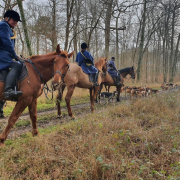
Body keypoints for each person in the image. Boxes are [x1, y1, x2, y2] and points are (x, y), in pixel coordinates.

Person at [0, 9, 23, 100]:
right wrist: (15, 56)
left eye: (17, 21)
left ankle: (1, 105)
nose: (16, 23)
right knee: (17, 65)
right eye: (14, 20)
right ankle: (8, 90)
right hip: (1, 55)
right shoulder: (3, 25)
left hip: (4, 55)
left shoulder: (8, 29)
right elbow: (7, 43)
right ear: (6, 18)